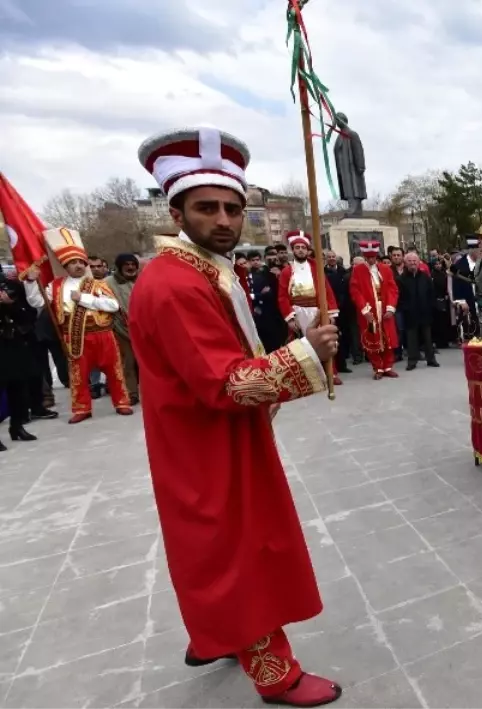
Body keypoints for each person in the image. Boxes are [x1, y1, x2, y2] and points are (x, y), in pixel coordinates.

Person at [131, 126, 342, 706]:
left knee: (215, 545)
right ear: (177, 211)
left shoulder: (203, 269)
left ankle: (215, 633)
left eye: (232, 208)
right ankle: (277, 675)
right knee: (237, 550)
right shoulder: (175, 284)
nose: (223, 220)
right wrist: (307, 354)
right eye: (207, 208)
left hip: (211, 435)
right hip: (207, 439)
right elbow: (223, 383)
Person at [36, 227, 134, 424]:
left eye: (81, 262)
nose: (78, 266)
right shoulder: (55, 286)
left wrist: (85, 298)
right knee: (78, 376)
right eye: (73, 263)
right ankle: (82, 408)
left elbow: (113, 305)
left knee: (114, 371)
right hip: (74, 336)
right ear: (66, 265)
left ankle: (122, 402)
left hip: (103, 334)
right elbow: (37, 302)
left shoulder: (97, 284)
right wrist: (31, 282)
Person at [1, 265, 55, 450]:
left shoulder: (11, 286)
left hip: (14, 343)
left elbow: (29, 314)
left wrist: (10, 305)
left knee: (19, 386)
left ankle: (17, 426)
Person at [277, 230, 341, 385]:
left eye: (303, 247)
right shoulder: (287, 271)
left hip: (316, 311)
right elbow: (282, 297)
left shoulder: (317, 269)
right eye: (297, 247)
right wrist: (290, 317)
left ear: (307, 250)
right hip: (298, 312)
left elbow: (327, 291)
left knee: (324, 341)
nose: (300, 250)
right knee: (301, 345)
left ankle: (330, 372)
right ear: (293, 250)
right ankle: (306, 376)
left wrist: (331, 313)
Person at [350, 240, 399, 379]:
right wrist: (365, 310)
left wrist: (391, 307)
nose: (371, 260)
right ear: (364, 256)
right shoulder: (358, 270)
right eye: (368, 257)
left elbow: (392, 288)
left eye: (373, 257)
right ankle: (378, 367)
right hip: (370, 311)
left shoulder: (385, 269)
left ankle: (388, 366)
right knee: (372, 337)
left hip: (384, 308)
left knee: (388, 337)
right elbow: (355, 291)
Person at [106, 253, 142, 403]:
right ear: (119, 266)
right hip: (121, 328)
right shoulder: (107, 283)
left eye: (133, 264)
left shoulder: (142, 279)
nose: (130, 267)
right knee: (128, 362)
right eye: (126, 264)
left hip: (144, 328)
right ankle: (132, 393)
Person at [396, 251, 439, 370]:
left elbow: (431, 293)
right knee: (411, 339)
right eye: (409, 261)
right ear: (405, 263)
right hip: (410, 313)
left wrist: (431, 307)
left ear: (419, 262)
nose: (412, 263)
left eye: (414, 261)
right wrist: (405, 308)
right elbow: (398, 297)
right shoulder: (401, 279)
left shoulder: (425, 277)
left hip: (425, 312)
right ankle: (412, 361)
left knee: (428, 338)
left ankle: (431, 359)